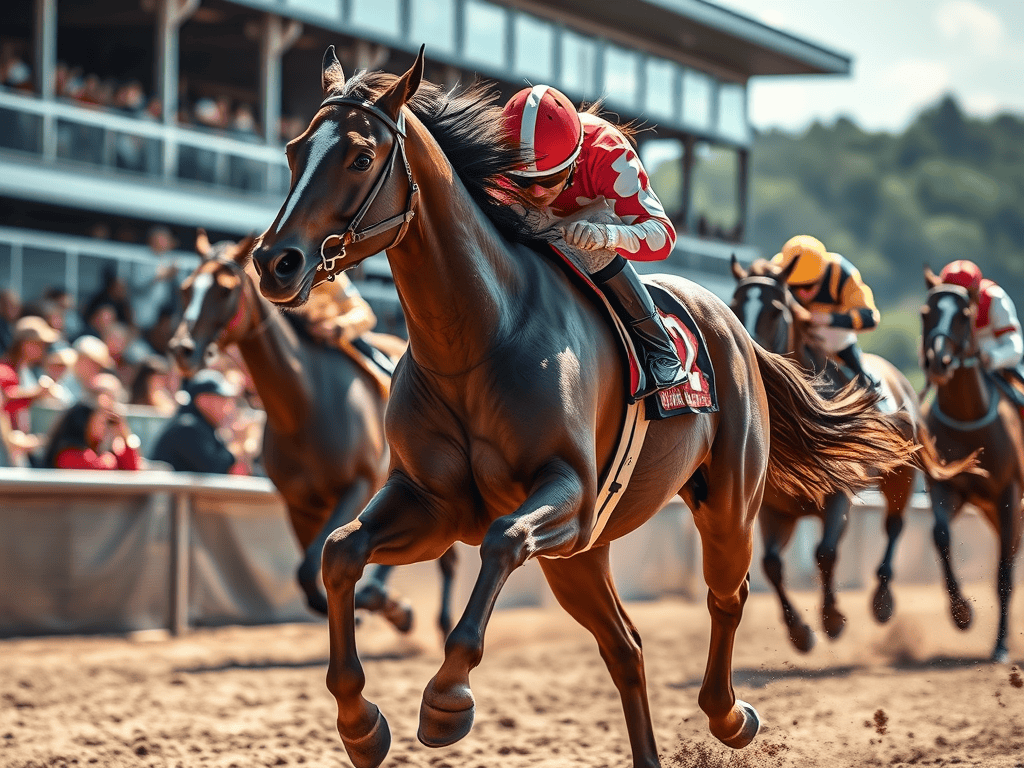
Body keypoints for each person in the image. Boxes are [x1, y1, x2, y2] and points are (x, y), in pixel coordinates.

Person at [501, 85, 685, 400]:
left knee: (597, 228)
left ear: (574, 160)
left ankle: (659, 347)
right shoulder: (496, 155)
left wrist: (608, 236)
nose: (537, 194)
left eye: (547, 180)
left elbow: (662, 237)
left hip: (590, 222)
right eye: (524, 181)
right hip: (525, 220)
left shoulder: (606, 150)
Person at [770, 235, 881, 389]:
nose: (802, 293)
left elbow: (870, 317)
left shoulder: (842, 273)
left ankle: (865, 382)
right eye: (794, 287)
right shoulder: (777, 270)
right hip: (791, 336)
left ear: (822, 275)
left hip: (832, 339)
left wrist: (829, 319)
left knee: (833, 335)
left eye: (808, 286)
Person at [939, 259, 1024, 405]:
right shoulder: (942, 308)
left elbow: (1015, 346)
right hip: (958, 373)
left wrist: (991, 358)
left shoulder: (994, 298)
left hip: (1000, 369)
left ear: (975, 293)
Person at [149, 369, 251, 474]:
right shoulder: (187, 427)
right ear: (203, 401)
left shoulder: (202, 425)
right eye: (223, 400)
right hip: (169, 490)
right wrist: (237, 444)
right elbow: (216, 470)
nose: (229, 407)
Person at [41, 397, 142, 470]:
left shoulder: (97, 451)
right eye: (101, 422)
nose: (105, 427)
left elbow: (132, 467)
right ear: (83, 424)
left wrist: (124, 434)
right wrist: (110, 457)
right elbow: (103, 469)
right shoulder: (68, 454)